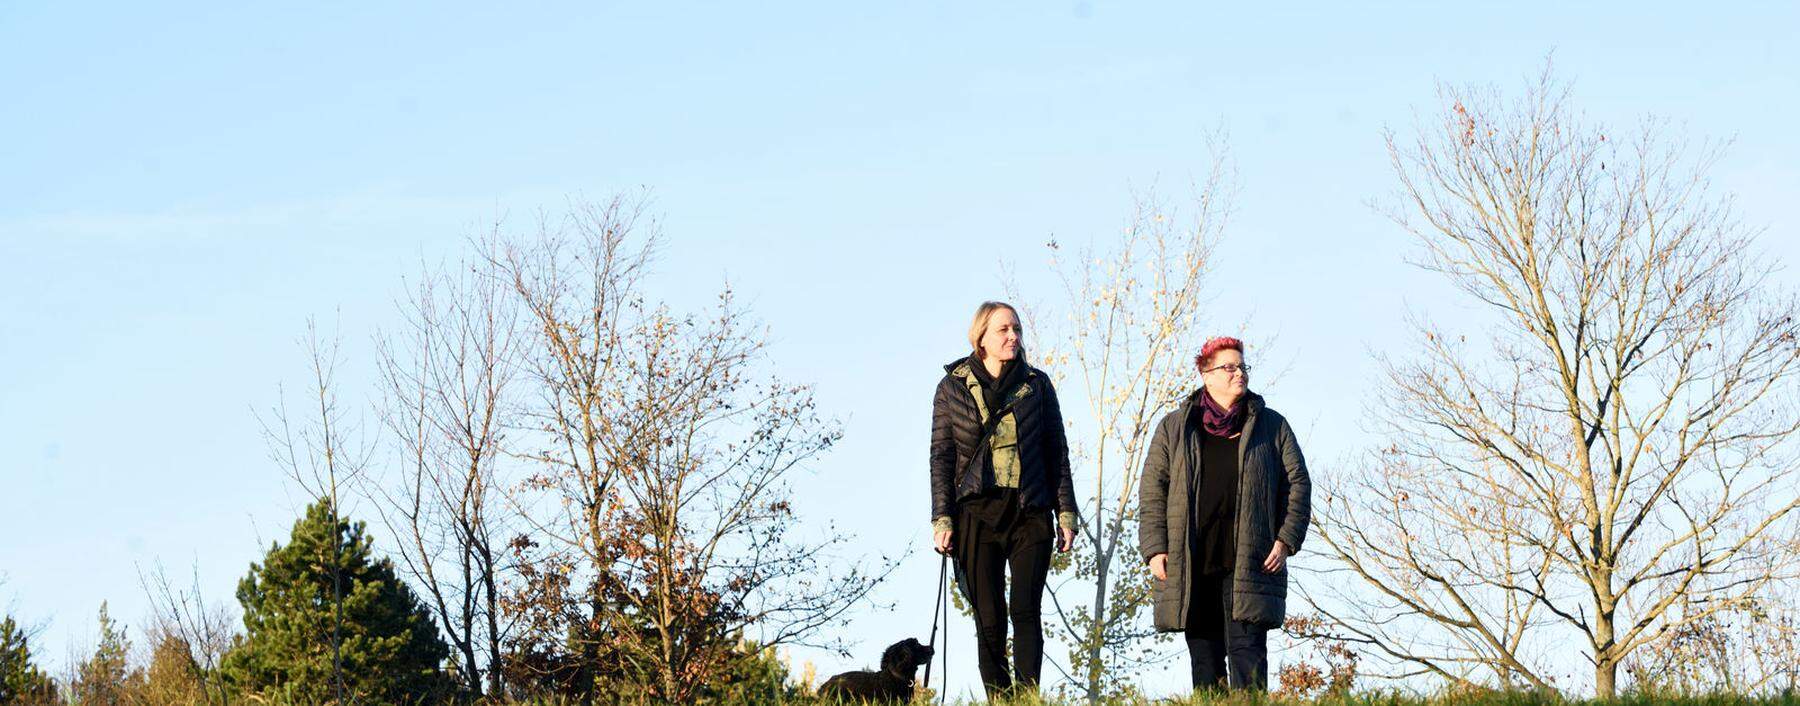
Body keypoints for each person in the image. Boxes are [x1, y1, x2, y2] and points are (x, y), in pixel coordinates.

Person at [1137, 336, 1311, 691]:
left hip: (1251, 563)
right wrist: (1155, 548)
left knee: (1249, 661)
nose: (1239, 373)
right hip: (1193, 564)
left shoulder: (1272, 426)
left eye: (1242, 366)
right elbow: (1152, 489)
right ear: (1206, 374)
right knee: (1205, 663)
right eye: (1229, 367)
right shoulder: (1175, 427)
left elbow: (1298, 485)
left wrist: (1285, 540)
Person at [929, 301, 1079, 698]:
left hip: (1030, 509)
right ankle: (1000, 697)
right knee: (989, 619)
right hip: (975, 513)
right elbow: (942, 457)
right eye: (1003, 330)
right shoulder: (951, 387)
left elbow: (1055, 451)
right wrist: (942, 520)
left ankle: (1028, 697)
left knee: (1026, 611)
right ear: (981, 338)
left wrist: (1066, 511)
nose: (1013, 336)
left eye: (1017, 329)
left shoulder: (1037, 384)